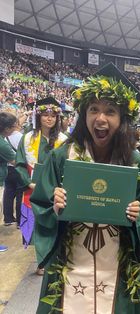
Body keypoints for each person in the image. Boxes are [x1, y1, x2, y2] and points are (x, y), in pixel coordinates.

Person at [30, 63, 140, 314]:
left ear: (121, 119)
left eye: (110, 111)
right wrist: (54, 208)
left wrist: (136, 215)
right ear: (83, 115)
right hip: (69, 262)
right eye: (93, 109)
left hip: (117, 265)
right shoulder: (61, 157)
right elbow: (41, 203)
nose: (100, 118)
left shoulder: (137, 164)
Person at [15, 97, 68, 275]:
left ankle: (56, 257)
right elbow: (21, 163)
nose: (49, 118)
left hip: (56, 190)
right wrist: (29, 183)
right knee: (39, 225)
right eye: (45, 115)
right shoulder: (27, 138)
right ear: (39, 117)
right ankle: (41, 261)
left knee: (55, 223)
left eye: (53, 115)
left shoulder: (64, 140)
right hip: (34, 189)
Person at [0, 112, 17, 253]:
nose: (15, 129)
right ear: (6, 129)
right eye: (13, 126)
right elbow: (16, 161)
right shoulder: (2, 144)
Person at [3, 119, 23, 227]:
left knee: (8, 193)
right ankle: (20, 221)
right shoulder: (21, 136)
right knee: (20, 194)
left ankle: (8, 219)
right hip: (18, 168)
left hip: (8, 169)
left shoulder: (4, 136)